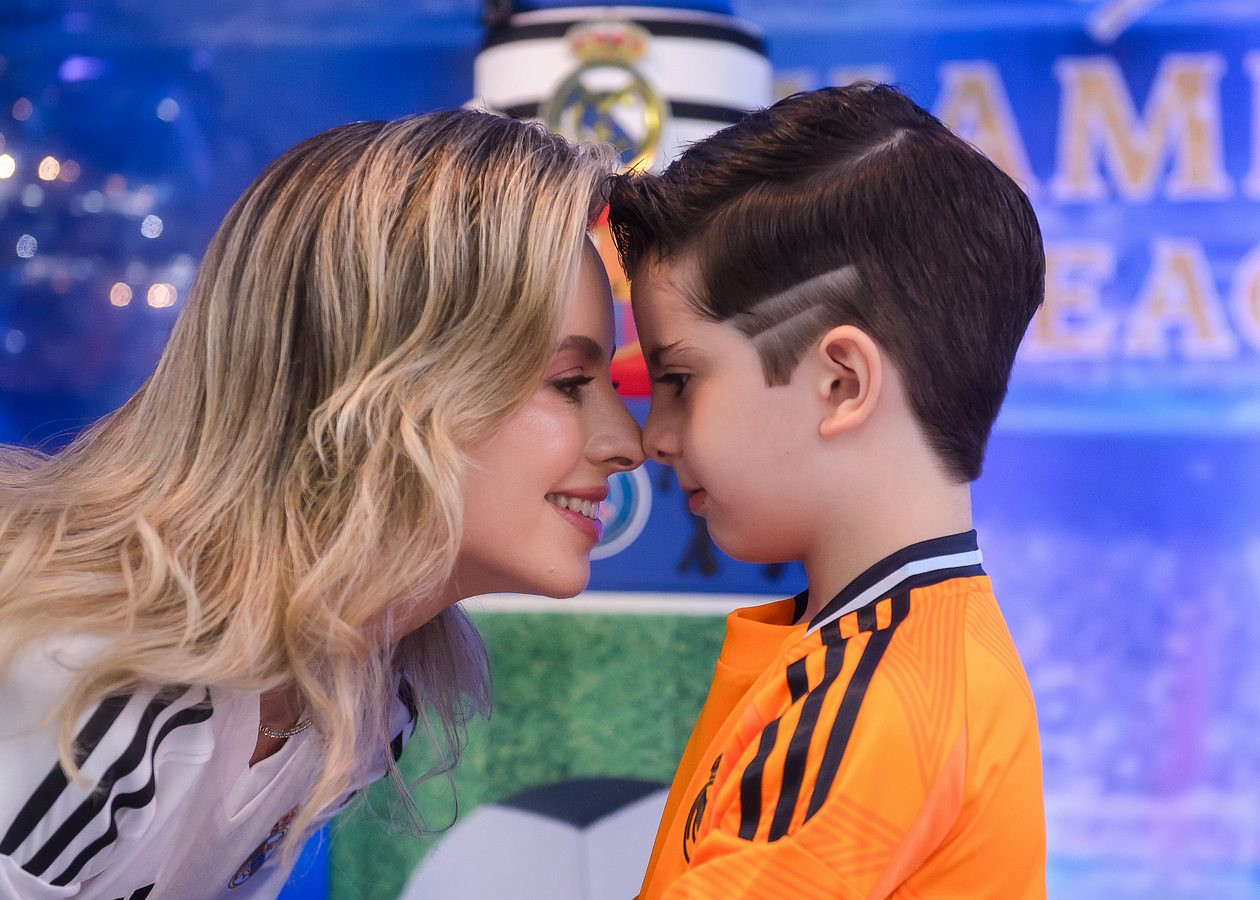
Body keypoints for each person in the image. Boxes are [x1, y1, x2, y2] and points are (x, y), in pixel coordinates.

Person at [0, 109, 643, 898]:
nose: (628, 443)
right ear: (385, 389)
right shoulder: (96, 675)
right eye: (569, 383)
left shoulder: (374, 689)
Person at [607, 83, 1046, 898]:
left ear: (841, 382)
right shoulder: (884, 654)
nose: (652, 438)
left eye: (680, 380)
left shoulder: (877, 695)